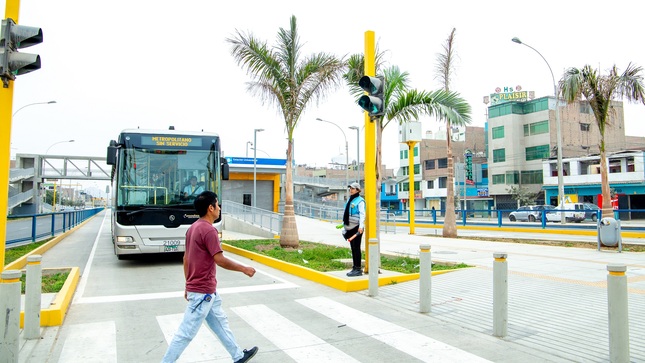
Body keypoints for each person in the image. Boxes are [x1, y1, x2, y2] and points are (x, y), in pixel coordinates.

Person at [162, 191, 258, 363]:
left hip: (205, 291)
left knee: (220, 323)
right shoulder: (208, 231)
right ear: (210, 208)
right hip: (202, 293)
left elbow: (186, 259)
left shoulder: (193, 228)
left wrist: (187, 285)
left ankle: (237, 356)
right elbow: (219, 259)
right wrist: (244, 268)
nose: (219, 208)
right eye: (217, 204)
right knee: (185, 333)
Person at [342, 182, 366, 277]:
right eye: (350, 188)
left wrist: (361, 227)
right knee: (353, 248)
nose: (351, 190)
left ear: (358, 190)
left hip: (357, 228)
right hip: (350, 227)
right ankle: (354, 267)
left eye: (353, 188)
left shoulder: (360, 201)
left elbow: (362, 214)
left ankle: (358, 269)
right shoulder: (350, 200)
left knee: (356, 248)